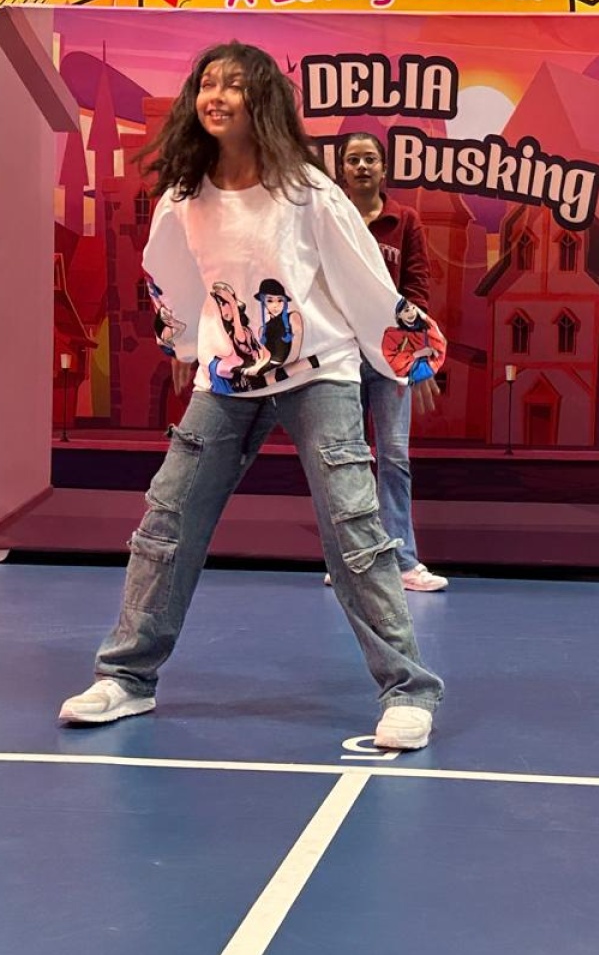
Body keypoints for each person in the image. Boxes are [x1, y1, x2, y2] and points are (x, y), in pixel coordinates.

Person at [58, 43, 445, 751]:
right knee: (168, 521)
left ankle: (408, 689)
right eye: (207, 83)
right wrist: (185, 345)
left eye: (234, 85)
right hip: (228, 379)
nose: (216, 95)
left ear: (260, 100)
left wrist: (407, 355)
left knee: (354, 527)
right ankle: (127, 677)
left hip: (320, 371)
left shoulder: (307, 190)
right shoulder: (184, 197)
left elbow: (363, 277)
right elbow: (170, 277)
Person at [335, 131, 450, 594]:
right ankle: (353, 560)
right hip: (341, 357)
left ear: (384, 169)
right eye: (353, 160)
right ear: (341, 170)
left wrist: (415, 354)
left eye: (370, 159)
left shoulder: (405, 221)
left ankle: (402, 561)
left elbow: (417, 288)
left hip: (392, 358)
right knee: (346, 460)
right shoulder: (332, 218)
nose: (362, 167)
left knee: (394, 457)